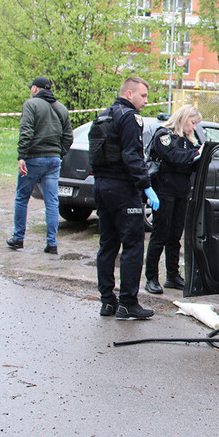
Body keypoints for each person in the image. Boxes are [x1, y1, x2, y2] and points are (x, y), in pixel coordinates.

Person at [91, 76, 160, 320]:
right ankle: (128, 302)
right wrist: (146, 186)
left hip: (102, 187)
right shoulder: (129, 118)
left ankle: (107, 301)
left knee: (107, 245)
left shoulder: (103, 116)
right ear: (129, 94)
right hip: (122, 189)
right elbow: (132, 156)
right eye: (143, 96)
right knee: (132, 245)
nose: (146, 101)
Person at [6, 77, 73, 254]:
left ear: (35, 89)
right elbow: (68, 136)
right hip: (53, 161)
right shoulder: (62, 108)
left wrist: (22, 155)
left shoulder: (31, 105)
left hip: (32, 159)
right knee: (52, 202)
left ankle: (18, 238)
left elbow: (26, 130)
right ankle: (52, 243)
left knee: (22, 198)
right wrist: (59, 153)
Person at [144, 104, 202, 294]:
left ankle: (172, 275)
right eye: (192, 123)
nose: (193, 128)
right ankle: (151, 277)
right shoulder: (165, 135)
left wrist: (201, 155)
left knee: (175, 236)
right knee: (160, 234)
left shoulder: (188, 140)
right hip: (164, 190)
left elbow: (190, 164)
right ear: (183, 118)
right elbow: (172, 156)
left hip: (181, 192)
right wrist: (195, 154)